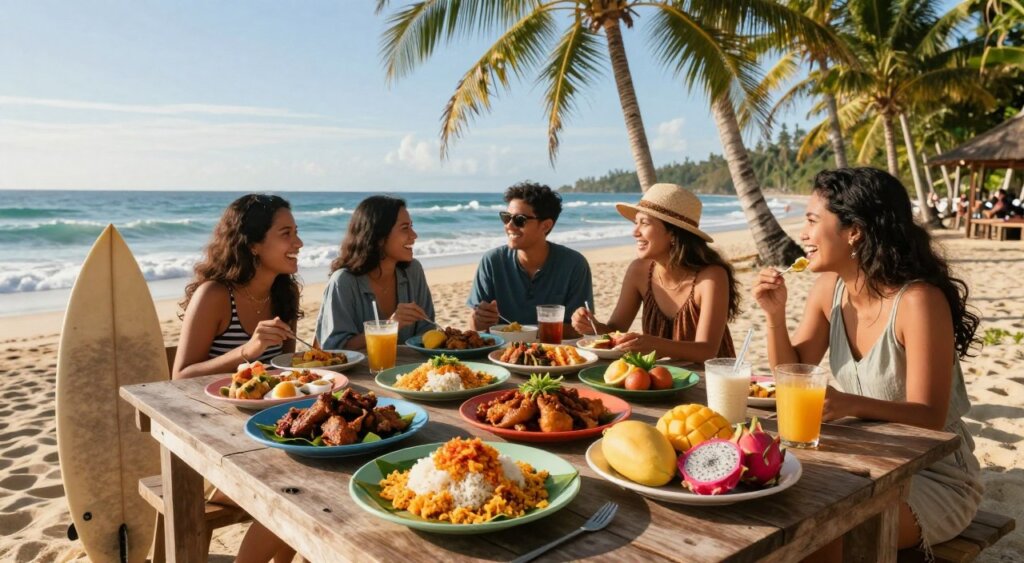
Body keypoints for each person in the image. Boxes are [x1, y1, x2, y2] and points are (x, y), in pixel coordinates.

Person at [752, 168, 982, 557]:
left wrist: (850, 404)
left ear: (854, 230)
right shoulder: (829, 289)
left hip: (934, 475)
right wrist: (774, 316)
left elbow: (930, 414)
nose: (803, 235)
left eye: (812, 221)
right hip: (866, 459)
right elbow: (791, 375)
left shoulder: (917, 301)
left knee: (819, 543)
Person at [174, 193, 302, 563]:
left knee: (325, 470)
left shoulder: (283, 293)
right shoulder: (214, 294)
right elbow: (179, 375)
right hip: (215, 435)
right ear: (254, 245)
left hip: (268, 426)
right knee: (294, 490)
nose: (298, 243)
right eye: (286, 233)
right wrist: (246, 351)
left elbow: (284, 373)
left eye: (296, 232)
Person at [570, 183, 737, 361]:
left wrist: (653, 345)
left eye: (644, 223)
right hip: (660, 379)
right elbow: (615, 329)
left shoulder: (711, 277)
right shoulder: (639, 271)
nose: (635, 232)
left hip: (711, 380)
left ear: (673, 234)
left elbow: (707, 351)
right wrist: (593, 327)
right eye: (636, 223)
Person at [467, 182, 593, 334]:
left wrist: (527, 335)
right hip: (500, 355)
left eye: (519, 220)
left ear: (546, 226)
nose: (509, 226)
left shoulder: (574, 264)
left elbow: (579, 329)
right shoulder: (493, 261)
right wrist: (479, 319)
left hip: (555, 353)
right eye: (506, 218)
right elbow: (475, 328)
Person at [315, 195, 434, 349]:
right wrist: (389, 328)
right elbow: (334, 349)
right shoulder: (343, 282)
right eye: (405, 228)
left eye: (411, 226)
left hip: (410, 371)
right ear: (379, 237)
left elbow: (427, 332)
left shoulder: (413, 271)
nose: (414, 235)